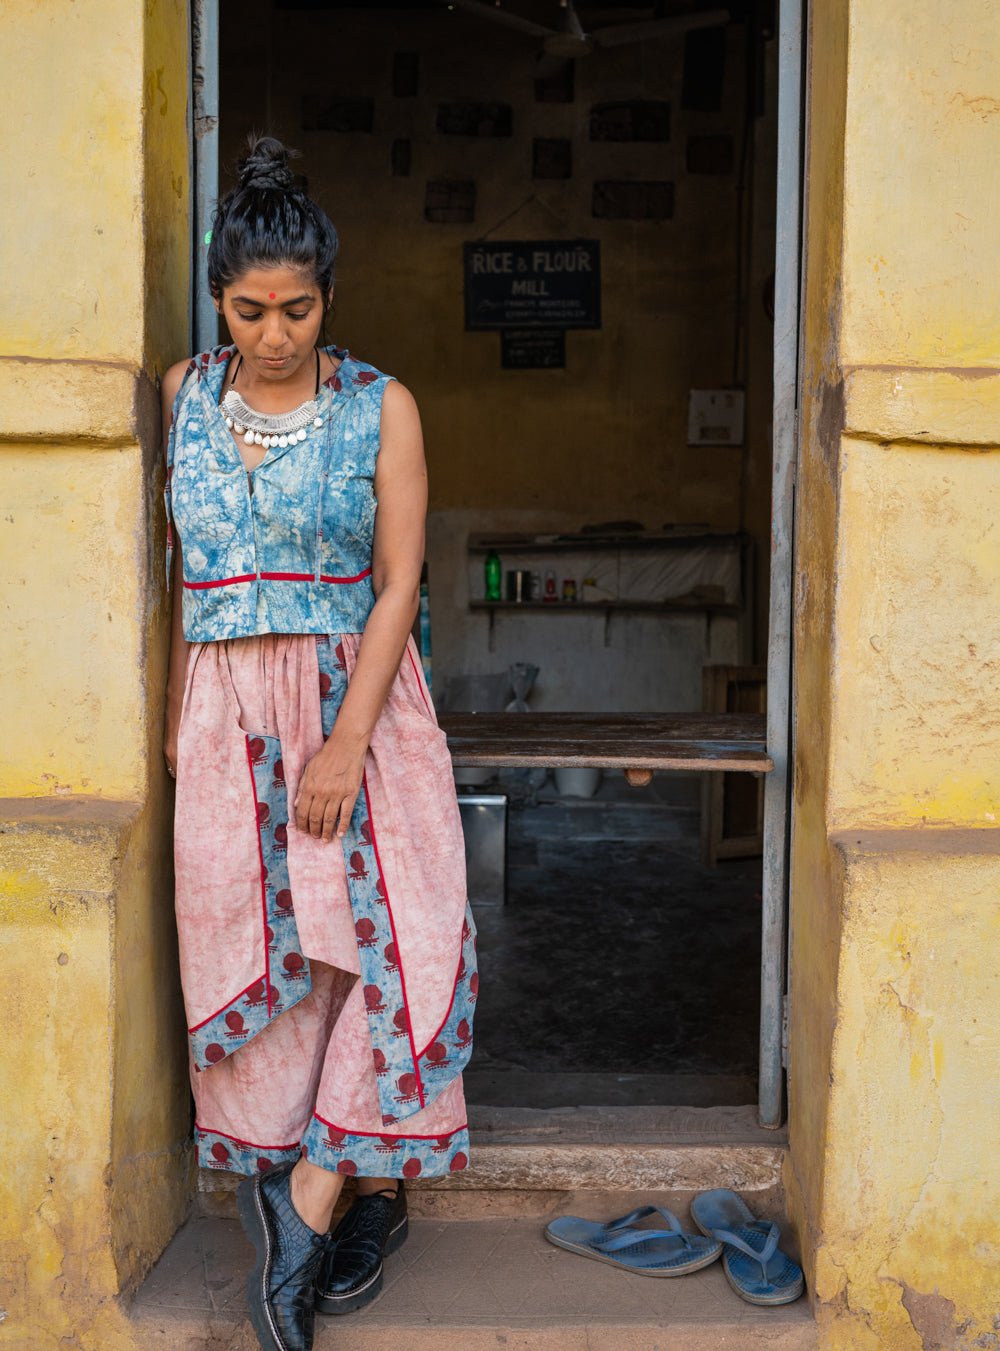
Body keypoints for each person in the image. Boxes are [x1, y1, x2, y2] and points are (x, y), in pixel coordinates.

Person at [161, 135, 477, 1351]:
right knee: (262, 952)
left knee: (401, 934)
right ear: (219, 298)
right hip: (224, 705)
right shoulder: (184, 395)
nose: (275, 333)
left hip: (361, 696)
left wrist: (346, 741)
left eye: (297, 309)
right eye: (251, 309)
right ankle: (330, 1193)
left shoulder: (380, 403)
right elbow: (166, 577)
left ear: (329, 299)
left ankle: (307, 1207)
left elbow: (398, 582)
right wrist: (176, 722)